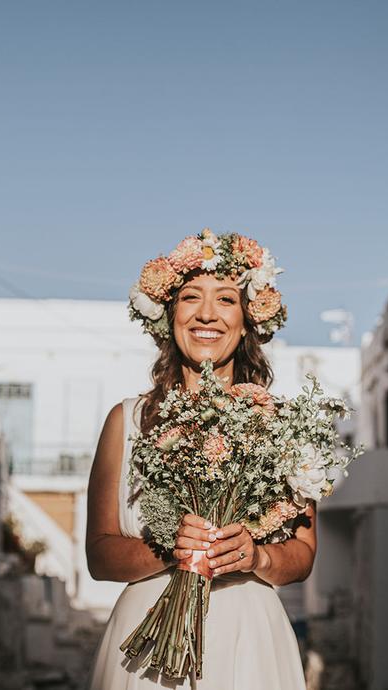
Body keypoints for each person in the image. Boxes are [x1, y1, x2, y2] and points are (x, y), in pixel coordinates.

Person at [86, 229, 316, 689]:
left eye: (226, 300)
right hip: (145, 646)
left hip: (250, 641)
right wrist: (169, 549)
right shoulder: (126, 420)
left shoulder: (281, 426)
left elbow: (304, 554)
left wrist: (256, 557)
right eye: (191, 297)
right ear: (169, 316)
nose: (207, 314)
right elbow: (99, 555)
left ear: (248, 320)